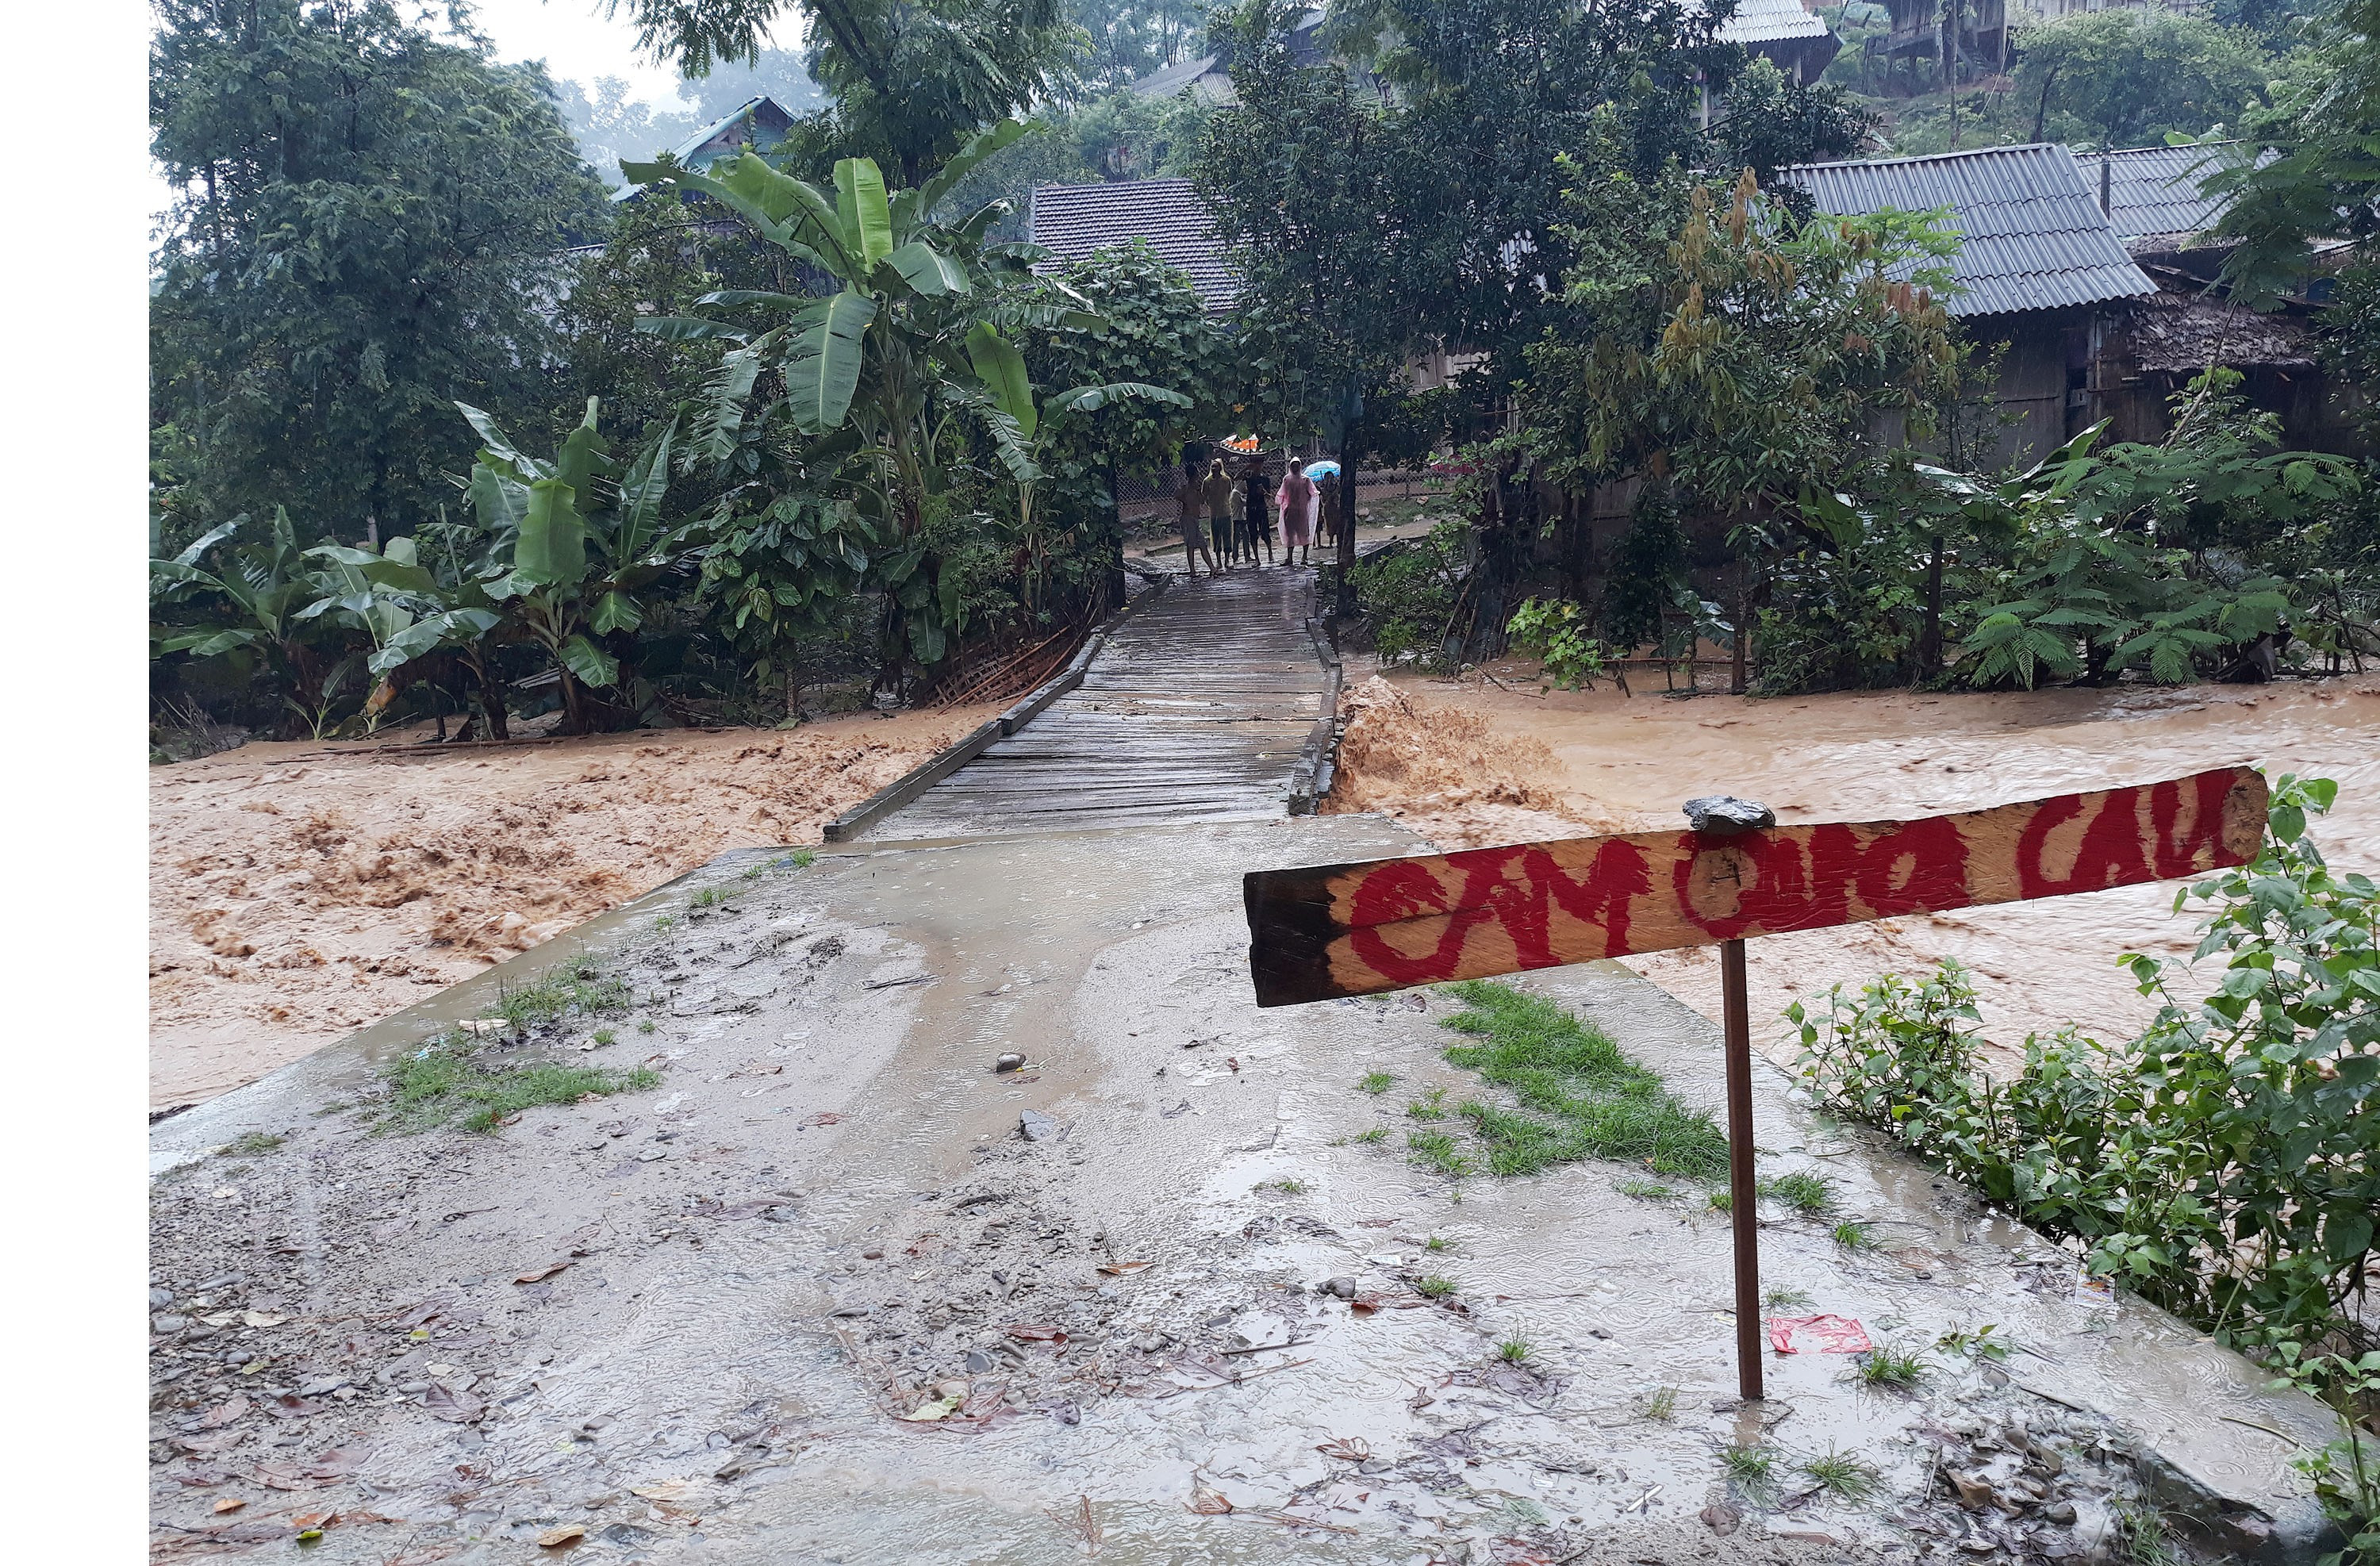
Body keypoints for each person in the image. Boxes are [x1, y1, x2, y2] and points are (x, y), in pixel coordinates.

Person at [1276, 457, 1318, 566]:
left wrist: (1304, 502)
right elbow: (1283, 495)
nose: (1295, 467)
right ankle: (1289, 558)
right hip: (1290, 511)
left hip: (1302, 512)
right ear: (1290, 467)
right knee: (1290, 535)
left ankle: (1304, 557)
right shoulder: (1287, 480)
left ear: (1300, 466)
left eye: (1297, 465)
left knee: (1304, 534)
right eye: (1293, 465)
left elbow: (1313, 493)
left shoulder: (1306, 480)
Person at [1175, 472, 1216, 578]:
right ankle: (1193, 571)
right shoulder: (1186, 489)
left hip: (1195, 519)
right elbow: (1177, 495)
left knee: (1202, 544)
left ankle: (1212, 568)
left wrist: (1201, 492)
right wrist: (1185, 494)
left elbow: (1202, 501)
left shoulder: (1196, 490)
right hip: (1188, 518)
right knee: (1191, 545)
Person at [1200, 458, 1237, 567]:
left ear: (1220, 467)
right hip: (1214, 512)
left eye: (1216, 466)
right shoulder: (1207, 481)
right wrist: (1211, 505)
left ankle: (1226, 560)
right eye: (1212, 466)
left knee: (1227, 536)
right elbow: (1204, 496)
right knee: (1216, 537)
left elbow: (1229, 493)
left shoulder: (1226, 480)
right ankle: (1218, 560)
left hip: (1226, 511)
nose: (1214, 468)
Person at [1239, 457, 1274, 565]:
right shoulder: (1249, 477)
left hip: (1261, 507)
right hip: (1251, 508)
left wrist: (1263, 492)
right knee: (1253, 534)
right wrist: (1246, 469)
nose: (1257, 467)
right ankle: (1257, 559)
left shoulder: (1265, 479)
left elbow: (1269, 497)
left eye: (1259, 464)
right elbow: (1236, 478)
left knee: (1265, 533)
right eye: (1255, 464)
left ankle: (1270, 553)